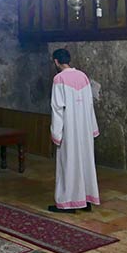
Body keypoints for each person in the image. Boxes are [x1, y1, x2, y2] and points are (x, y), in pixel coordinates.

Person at [49, 48, 100, 213]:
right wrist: (92, 128)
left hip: (69, 130)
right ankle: (85, 200)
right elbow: (90, 104)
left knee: (68, 164)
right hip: (83, 128)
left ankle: (68, 202)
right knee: (84, 163)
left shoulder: (59, 79)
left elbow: (57, 108)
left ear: (56, 61)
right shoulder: (83, 76)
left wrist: (56, 133)